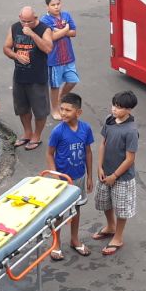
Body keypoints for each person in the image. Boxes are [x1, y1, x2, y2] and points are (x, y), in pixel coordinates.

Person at [47, 92, 95, 260]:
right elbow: (49, 154)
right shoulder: (57, 131)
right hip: (62, 180)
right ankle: (56, 243)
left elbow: (88, 152)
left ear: (78, 112)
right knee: (59, 212)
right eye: (61, 109)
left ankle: (75, 239)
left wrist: (89, 176)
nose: (63, 113)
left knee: (77, 209)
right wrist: (55, 176)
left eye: (68, 110)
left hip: (79, 177)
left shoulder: (86, 129)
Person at [92, 90, 139, 257]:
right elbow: (103, 144)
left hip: (122, 178)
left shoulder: (131, 131)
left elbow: (130, 159)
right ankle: (110, 226)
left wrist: (115, 176)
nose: (114, 109)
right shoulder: (109, 120)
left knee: (121, 208)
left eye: (118, 107)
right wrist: (99, 167)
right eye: (113, 105)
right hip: (105, 173)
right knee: (104, 202)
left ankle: (118, 237)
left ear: (129, 109)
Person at [4, 5, 54, 150]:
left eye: (29, 21)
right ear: (19, 18)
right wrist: (16, 56)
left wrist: (32, 34)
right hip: (20, 76)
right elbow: (6, 48)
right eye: (23, 21)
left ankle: (36, 136)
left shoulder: (44, 29)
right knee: (22, 108)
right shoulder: (14, 27)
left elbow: (48, 48)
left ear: (35, 18)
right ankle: (27, 133)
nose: (25, 24)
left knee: (40, 110)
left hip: (37, 77)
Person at [42, 0, 79, 120]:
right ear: (47, 6)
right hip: (54, 60)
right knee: (55, 86)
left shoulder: (66, 15)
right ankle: (55, 110)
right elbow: (51, 37)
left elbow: (74, 32)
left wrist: (61, 31)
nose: (56, 7)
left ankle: (60, 99)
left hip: (68, 57)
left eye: (58, 4)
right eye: (53, 5)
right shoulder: (45, 20)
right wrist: (65, 29)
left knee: (73, 80)